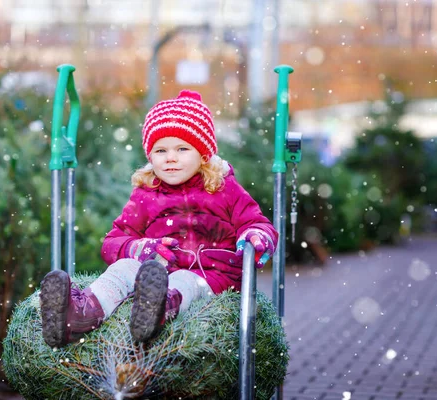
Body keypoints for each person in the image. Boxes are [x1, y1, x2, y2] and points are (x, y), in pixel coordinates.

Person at [40, 90, 278, 348]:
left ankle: (157, 310)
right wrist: (137, 248)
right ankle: (79, 316)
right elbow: (113, 241)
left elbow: (255, 222)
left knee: (185, 281)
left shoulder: (224, 189)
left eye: (182, 148)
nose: (170, 157)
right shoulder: (146, 195)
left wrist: (256, 235)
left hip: (210, 275)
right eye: (160, 150)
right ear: (150, 156)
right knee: (122, 269)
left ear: (204, 154)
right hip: (157, 271)